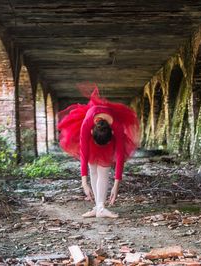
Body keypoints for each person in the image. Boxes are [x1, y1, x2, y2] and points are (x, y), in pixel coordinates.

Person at [57, 84, 140, 218]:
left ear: (112, 133)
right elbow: (84, 154)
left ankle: (100, 207)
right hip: (92, 129)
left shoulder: (116, 127)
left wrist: (116, 184)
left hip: (106, 133)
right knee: (92, 168)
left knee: (104, 168)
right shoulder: (86, 126)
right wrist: (84, 182)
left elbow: (119, 156)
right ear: (91, 132)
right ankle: (98, 207)